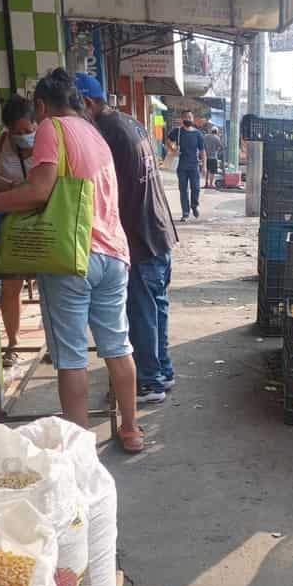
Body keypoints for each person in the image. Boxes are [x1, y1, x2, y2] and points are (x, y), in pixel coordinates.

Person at [0, 69, 143, 453]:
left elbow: (40, 191)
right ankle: (131, 430)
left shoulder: (53, 127)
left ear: (41, 106)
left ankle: (79, 449)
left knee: (71, 357)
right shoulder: (94, 132)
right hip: (114, 254)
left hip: (71, 258)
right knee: (117, 347)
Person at [74, 73, 179, 405]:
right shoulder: (128, 123)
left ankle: (148, 382)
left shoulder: (104, 134)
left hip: (139, 236)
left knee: (141, 312)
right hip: (158, 230)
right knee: (156, 307)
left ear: (87, 104)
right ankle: (162, 371)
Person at [0, 95, 37, 367]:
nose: (24, 137)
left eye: (28, 131)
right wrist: (14, 188)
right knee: (11, 286)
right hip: (11, 221)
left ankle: (56, 343)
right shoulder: (2, 142)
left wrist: (20, 189)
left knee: (52, 285)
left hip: (42, 222)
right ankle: (12, 344)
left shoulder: (47, 142)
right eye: (18, 133)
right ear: (8, 131)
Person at [169, 110, 206, 221]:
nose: (188, 119)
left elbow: (202, 151)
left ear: (193, 119)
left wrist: (204, 166)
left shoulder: (198, 134)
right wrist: (173, 150)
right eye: (185, 117)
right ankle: (185, 212)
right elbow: (168, 141)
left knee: (196, 188)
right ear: (182, 119)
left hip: (194, 166)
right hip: (181, 166)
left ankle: (194, 206)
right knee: (183, 190)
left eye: (190, 117)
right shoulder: (177, 131)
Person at [203, 123, 222, 189]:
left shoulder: (205, 137)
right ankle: (211, 184)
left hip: (206, 157)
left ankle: (206, 183)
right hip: (213, 157)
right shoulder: (217, 138)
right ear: (216, 132)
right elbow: (219, 147)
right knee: (212, 171)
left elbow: (203, 146)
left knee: (207, 170)